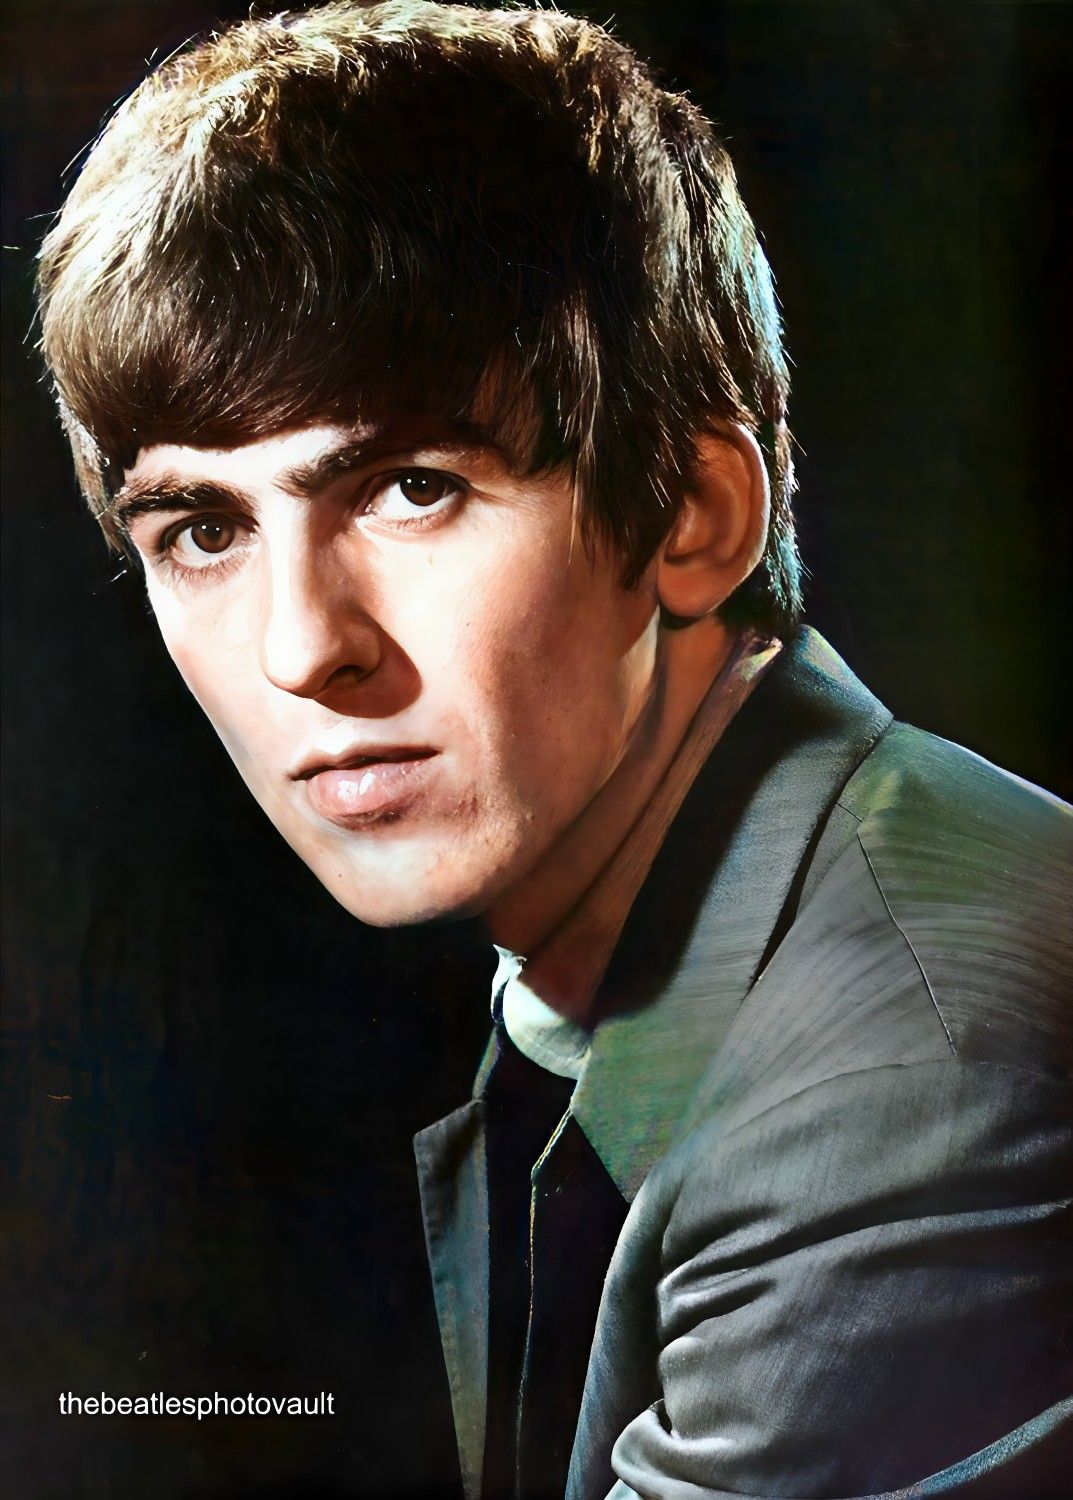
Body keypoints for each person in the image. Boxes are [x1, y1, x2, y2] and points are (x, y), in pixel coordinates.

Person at [34, 2, 1071, 1497]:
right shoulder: (637, 929)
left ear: (694, 515)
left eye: (411, 488)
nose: (300, 649)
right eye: (204, 529)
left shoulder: (899, 1091)